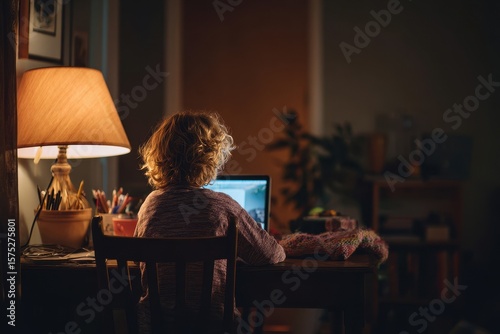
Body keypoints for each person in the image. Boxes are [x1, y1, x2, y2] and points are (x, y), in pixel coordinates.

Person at [134, 110, 286, 333]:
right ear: (210, 157)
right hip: (214, 327)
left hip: (156, 327)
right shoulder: (223, 206)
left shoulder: (149, 206)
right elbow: (270, 254)